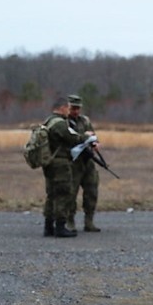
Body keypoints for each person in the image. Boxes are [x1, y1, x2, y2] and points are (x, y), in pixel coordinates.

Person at [42, 96, 90, 238]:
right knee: (63, 193)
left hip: (49, 162)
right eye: (68, 108)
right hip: (60, 163)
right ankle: (60, 227)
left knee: (51, 194)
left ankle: (48, 226)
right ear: (62, 108)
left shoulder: (48, 121)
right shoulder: (60, 124)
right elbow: (72, 138)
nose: (69, 111)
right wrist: (86, 137)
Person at [66, 94, 101, 233]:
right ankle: (69, 221)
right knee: (71, 192)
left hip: (88, 161)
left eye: (78, 108)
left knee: (92, 191)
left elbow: (93, 136)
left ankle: (89, 221)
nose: (76, 111)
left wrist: (95, 143)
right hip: (73, 162)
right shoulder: (63, 122)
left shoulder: (85, 121)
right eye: (73, 108)